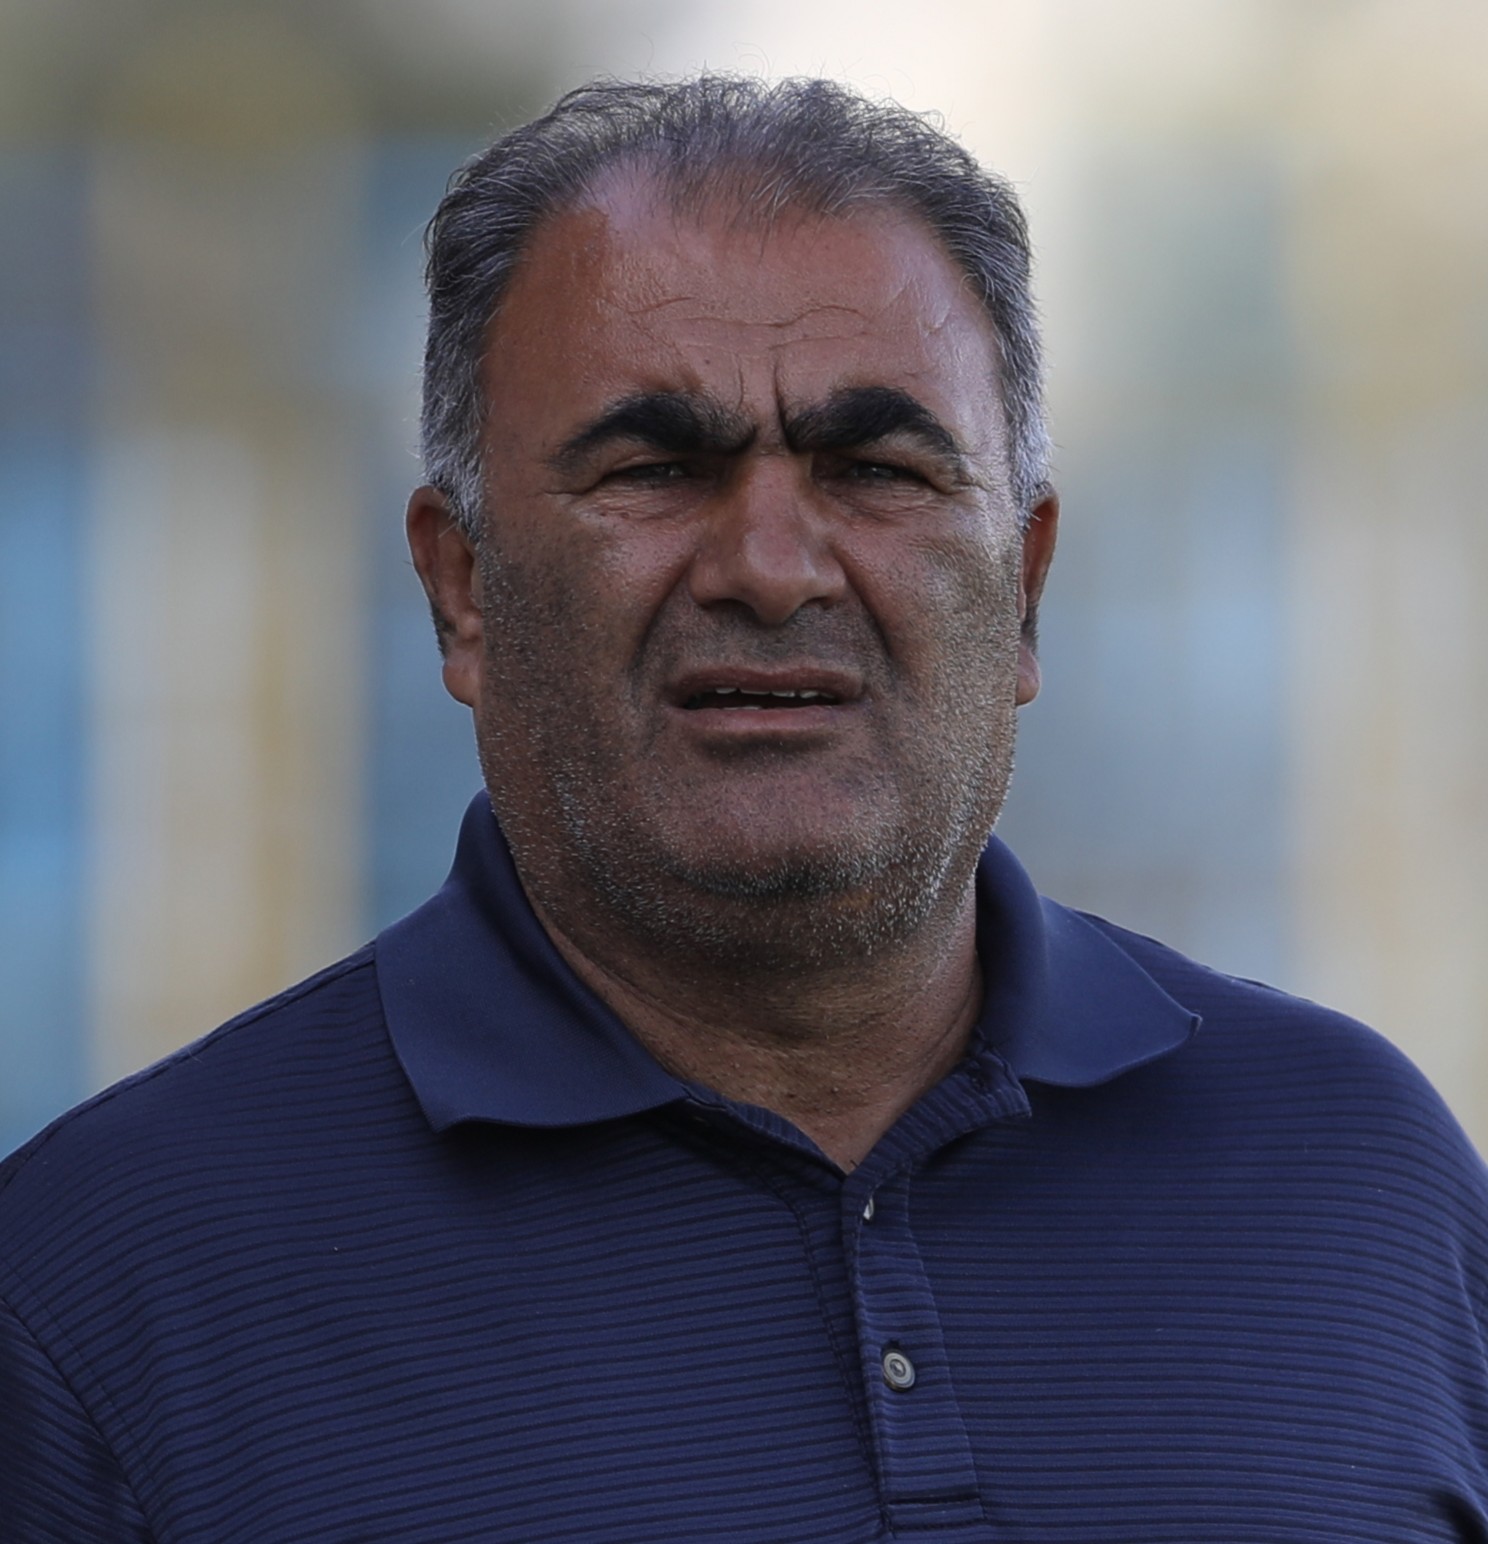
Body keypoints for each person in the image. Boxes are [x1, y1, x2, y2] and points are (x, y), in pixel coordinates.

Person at [2, 75, 1486, 1544]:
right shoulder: (100, 1293)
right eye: (655, 468)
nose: (772, 569)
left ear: (1025, 588)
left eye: (876, 469)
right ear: (462, 589)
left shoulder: (1362, 1180)